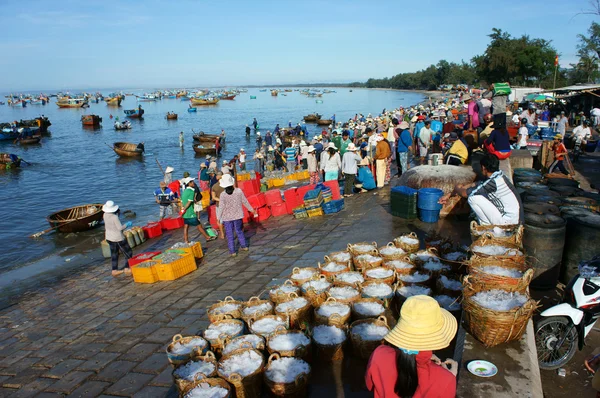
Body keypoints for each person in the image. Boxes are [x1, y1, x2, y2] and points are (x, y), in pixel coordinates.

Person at [365, 295, 458, 398]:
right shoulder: (445, 380)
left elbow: (370, 386)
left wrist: (418, 358)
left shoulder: (379, 354)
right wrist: (450, 377)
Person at [440, 153, 523, 225]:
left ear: (483, 168)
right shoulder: (499, 176)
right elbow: (474, 184)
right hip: (513, 218)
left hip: (509, 221)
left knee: (473, 198)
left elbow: (465, 193)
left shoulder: (492, 183)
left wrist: (457, 188)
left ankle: (487, 229)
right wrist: (449, 195)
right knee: (476, 193)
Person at [216, 174, 256, 256]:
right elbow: (245, 202)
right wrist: (252, 210)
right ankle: (244, 246)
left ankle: (232, 251)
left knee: (229, 234)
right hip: (238, 216)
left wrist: (218, 218)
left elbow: (221, 207)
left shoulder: (223, 195)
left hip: (227, 218)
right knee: (239, 231)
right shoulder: (238, 191)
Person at [102, 200, 133, 277]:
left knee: (114, 254)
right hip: (117, 238)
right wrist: (127, 224)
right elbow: (120, 228)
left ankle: (114, 270)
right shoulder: (114, 217)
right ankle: (127, 268)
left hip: (109, 237)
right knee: (128, 252)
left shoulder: (104, 215)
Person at [180, 177, 216, 243]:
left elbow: (182, 201)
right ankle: (207, 237)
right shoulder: (191, 191)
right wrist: (185, 208)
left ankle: (186, 240)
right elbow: (189, 202)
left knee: (186, 226)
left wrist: (182, 209)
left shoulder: (184, 191)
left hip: (185, 214)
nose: (193, 183)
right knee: (199, 226)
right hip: (190, 213)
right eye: (192, 182)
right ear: (189, 183)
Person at [211, 171, 226, 239]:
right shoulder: (227, 184)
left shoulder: (214, 186)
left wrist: (220, 200)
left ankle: (222, 234)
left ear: (217, 177)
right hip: (228, 203)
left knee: (219, 220)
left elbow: (213, 198)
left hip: (219, 205)